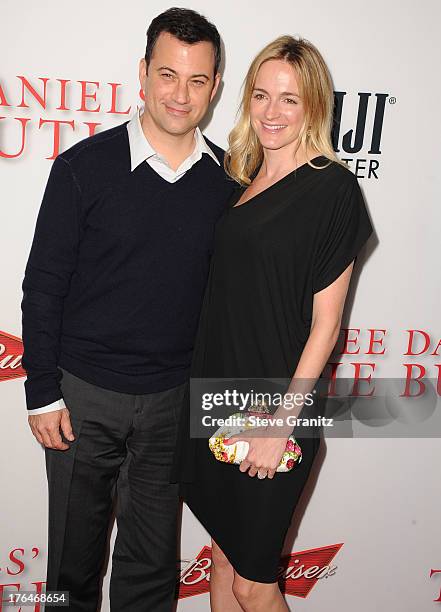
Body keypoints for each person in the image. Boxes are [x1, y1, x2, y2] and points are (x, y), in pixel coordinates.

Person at [21, 8, 233, 611]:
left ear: (215, 87)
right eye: (168, 74)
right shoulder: (83, 168)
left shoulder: (230, 184)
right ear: (142, 73)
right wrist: (42, 391)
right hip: (82, 396)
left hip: (172, 403)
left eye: (197, 80)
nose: (180, 94)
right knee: (69, 568)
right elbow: (43, 286)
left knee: (152, 572)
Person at [171, 35, 374, 611]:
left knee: (254, 585)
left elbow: (326, 326)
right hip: (219, 400)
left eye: (288, 98)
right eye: (261, 95)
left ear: (312, 104)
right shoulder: (239, 181)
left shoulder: (332, 189)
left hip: (276, 408)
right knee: (222, 564)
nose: (271, 111)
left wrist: (281, 424)